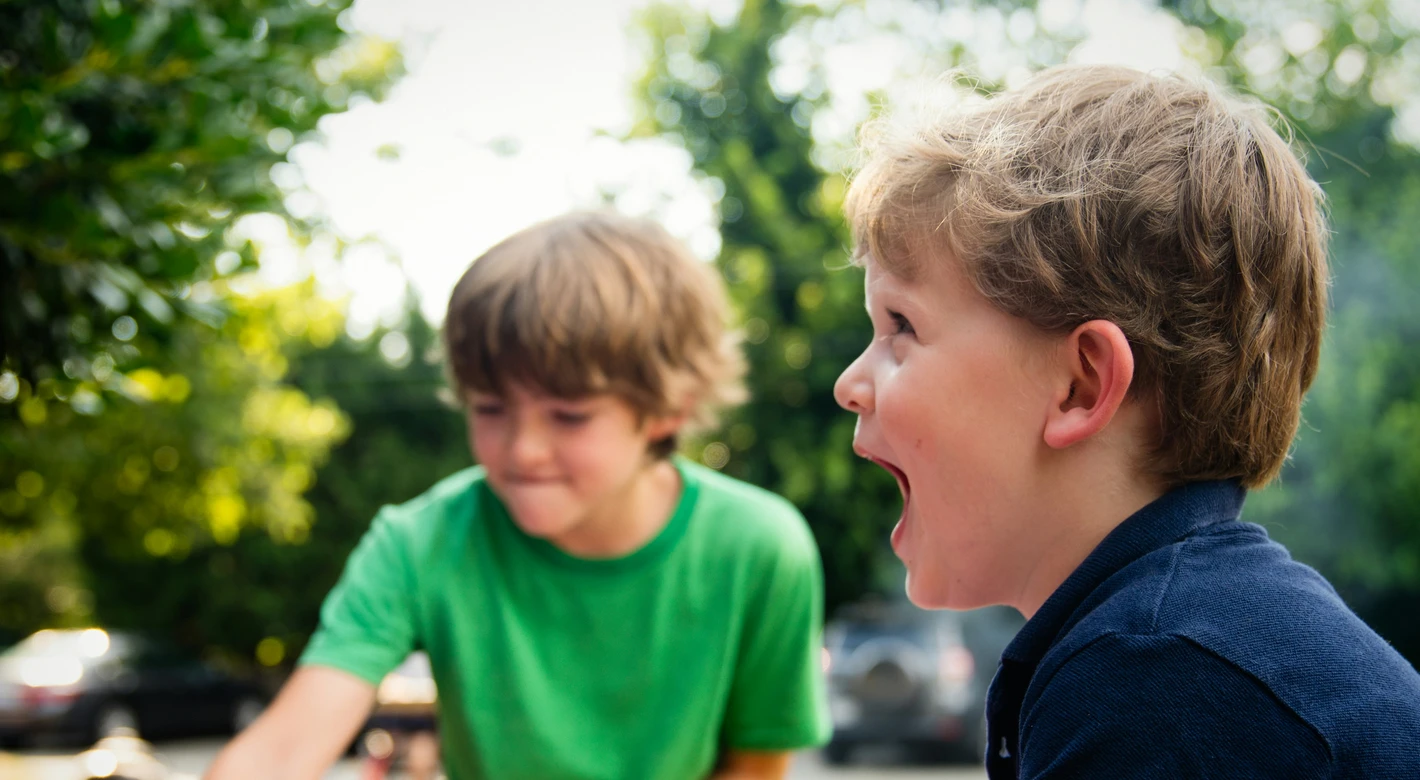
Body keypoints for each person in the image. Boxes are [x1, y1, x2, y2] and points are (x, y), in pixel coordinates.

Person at [832, 64, 1420, 778]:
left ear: (1082, 385)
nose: (848, 384)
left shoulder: (1155, 682)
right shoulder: (1190, 634)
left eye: (901, 325)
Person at [208, 211, 831, 780]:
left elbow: (754, 769)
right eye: (490, 408)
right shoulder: (419, 542)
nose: (522, 450)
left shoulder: (760, 547)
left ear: (671, 408)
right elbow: (285, 748)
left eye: (568, 415)